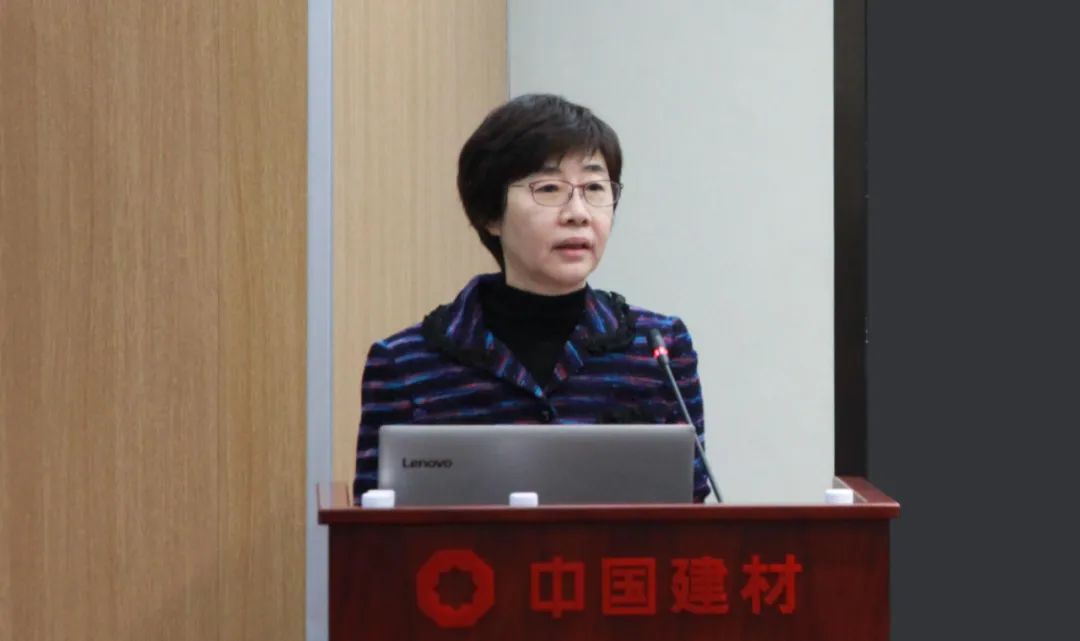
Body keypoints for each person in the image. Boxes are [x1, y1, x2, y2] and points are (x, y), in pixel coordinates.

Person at [353, 94, 710, 502]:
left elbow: (692, 511)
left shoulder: (660, 350)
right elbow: (371, 529)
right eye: (549, 188)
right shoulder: (404, 364)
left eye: (595, 188)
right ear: (491, 214)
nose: (578, 213)